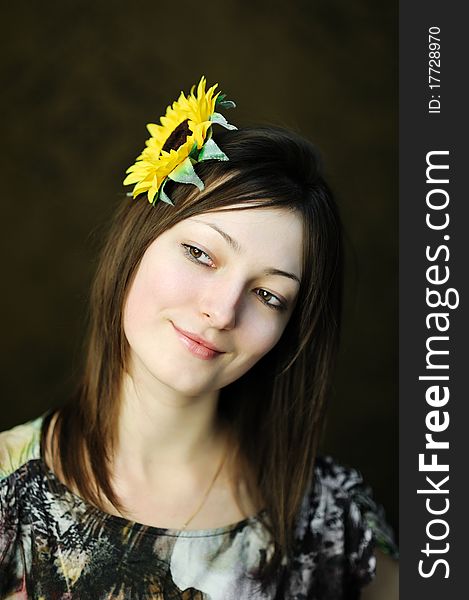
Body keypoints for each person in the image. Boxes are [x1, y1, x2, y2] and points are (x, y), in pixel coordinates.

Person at [0, 77, 398, 598]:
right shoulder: (10, 492)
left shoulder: (330, 517)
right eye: (201, 254)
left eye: (268, 296)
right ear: (137, 241)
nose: (221, 310)